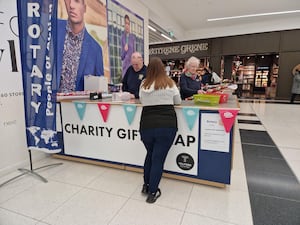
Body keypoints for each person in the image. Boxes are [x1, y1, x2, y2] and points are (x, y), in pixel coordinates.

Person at [139, 57, 181, 203]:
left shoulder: (143, 84)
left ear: (149, 69)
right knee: (158, 159)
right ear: (163, 68)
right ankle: (152, 192)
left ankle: (146, 185)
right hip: (166, 125)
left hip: (146, 126)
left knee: (150, 154)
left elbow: (142, 101)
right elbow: (178, 101)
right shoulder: (170, 83)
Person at [57, 0, 104, 92]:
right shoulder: (52, 29)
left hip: (78, 105)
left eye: (76, 1)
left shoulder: (95, 49)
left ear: (84, 8)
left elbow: (99, 90)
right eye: (68, 1)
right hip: (49, 104)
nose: (71, 6)